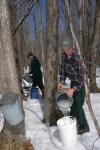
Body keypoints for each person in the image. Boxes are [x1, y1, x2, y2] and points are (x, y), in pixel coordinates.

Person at [58, 37, 89, 134]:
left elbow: (81, 78)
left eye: (68, 49)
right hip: (72, 82)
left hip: (80, 84)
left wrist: (73, 90)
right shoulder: (64, 56)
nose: (67, 51)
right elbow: (63, 71)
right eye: (65, 49)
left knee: (78, 105)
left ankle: (84, 127)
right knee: (72, 104)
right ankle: (73, 123)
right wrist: (61, 82)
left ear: (72, 48)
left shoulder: (77, 58)